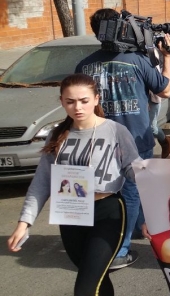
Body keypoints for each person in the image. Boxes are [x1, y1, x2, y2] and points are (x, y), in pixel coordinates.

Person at [8, 74, 140, 295]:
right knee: (96, 279)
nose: (77, 107)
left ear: (96, 99)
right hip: (70, 213)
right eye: (70, 101)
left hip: (107, 212)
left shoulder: (115, 131)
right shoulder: (57, 134)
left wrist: (157, 177)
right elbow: (42, 182)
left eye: (84, 100)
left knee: (85, 288)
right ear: (62, 101)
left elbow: (132, 168)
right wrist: (24, 223)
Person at [76, 8, 170, 269]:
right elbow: (165, 90)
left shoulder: (84, 65)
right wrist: (167, 58)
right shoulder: (137, 61)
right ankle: (120, 249)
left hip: (95, 142)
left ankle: (124, 233)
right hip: (134, 141)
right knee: (131, 192)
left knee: (102, 194)